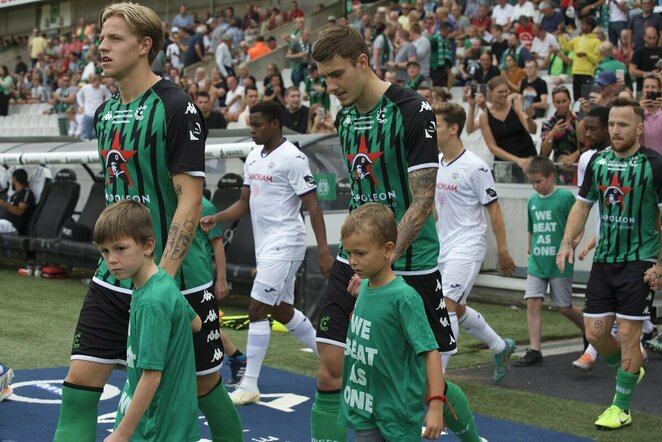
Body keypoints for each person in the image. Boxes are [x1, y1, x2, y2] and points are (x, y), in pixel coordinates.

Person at [53, 4, 243, 441]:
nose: (102, 47)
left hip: (178, 281)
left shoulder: (177, 108)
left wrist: (163, 281)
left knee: (205, 387)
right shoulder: (104, 115)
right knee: (79, 388)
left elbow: (190, 200)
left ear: (144, 47)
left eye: (114, 39)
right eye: (101, 38)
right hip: (113, 279)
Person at [311, 25, 482, 442]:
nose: (331, 86)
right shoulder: (345, 116)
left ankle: (472, 437)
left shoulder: (412, 110)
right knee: (331, 366)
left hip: (407, 264)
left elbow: (423, 200)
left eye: (337, 75)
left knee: (426, 381)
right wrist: (355, 258)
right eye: (324, 78)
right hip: (355, 258)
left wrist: (379, 262)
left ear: (363, 62)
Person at [200, 100, 334, 406]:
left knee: (256, 309)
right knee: (280, 311)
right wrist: (217, 218)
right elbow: (244, 203)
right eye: (250, 124)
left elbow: (313, 206)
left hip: (286, 243)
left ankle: (249, 384)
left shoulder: (294, 158)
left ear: (276, 123)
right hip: (266, 245)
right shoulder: (253, 157)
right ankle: (337, 360)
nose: (252, 130)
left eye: (257, 124)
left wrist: (323, 250)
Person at [557, 97, 662, 430]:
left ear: (639, 128)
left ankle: (621, 406)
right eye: (612, 124)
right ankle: (630, 368)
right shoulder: (597, 162)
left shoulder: (655, 165)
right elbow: (582, 206)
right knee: (597, 333)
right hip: (604, 260)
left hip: (640, 260)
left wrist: (660, 264)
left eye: (623, 125)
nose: (616, 131)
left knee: (630, 335)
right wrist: (567, 241)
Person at [337, 203, 449, 440]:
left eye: (360, 253)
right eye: (348, 254)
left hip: (396, 411)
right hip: (363, 403)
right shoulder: (365, 287)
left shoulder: (405, 297)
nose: (353, 261)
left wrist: (436, 405)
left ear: (388, 250)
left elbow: (430, 351)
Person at [93, 200, 202, 442]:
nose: (111, 259)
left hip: (157, 423)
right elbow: (196, 324)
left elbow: (152, 376)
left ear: (148, 246)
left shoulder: (152, 302)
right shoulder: (162, 282)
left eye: (120, 248)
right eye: (105, 251)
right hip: (170, 416)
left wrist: (122, 434)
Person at [433, 103, 517, 381]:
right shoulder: (436, 162)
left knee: (445, 307)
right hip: (442, 247)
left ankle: (436, 382)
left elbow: (494, 209)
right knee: (457, 308)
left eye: (437, 125)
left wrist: (503, 251)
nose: (431, 130)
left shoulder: (476, 166)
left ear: (453, 128)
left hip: (467, 247)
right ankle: (500, 347)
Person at [513, 156, 586, 367]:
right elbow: (531, 229)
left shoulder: (564, 197)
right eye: (532, 182)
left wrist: (575, 242)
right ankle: (535, 350)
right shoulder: (532, 201)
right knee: (533, 301)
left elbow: (578, 221)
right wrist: (530, 249)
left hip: (559, 261)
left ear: (551, 176)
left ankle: (588, 331)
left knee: (564, 307)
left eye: (539, 181)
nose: (535, 186)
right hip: (537, 261)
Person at [200, 194, 247, 387]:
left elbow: (217, 244)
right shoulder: (167, 200)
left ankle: (238, 358)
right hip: (177, 277)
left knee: (204, 325)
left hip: (199, 277)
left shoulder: (205, 207)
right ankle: (238, 358)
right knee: (199, 325)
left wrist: (221, 279)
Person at [479, 76, 537, 180]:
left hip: (527, 158)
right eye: (500, 92)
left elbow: (532, 130)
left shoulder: (516, 104)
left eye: (506, 91)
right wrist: (517, 160)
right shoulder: (484, 116)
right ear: (490, 93)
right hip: (504, 164)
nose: (504, 94)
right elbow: (492, 147)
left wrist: (529, 118)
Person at [540, 86, 581, 184]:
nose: (562, 105)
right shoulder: (549, 123)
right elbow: (544, 152)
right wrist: (552, 134)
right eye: (558, 102)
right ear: (553, 103)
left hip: (580, 165)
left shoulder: (579, 118)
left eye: (564, 101)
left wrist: (576, 154)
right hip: (560, 168)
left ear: (570, 100)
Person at [559, 16, 601, 102]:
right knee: (577, 98)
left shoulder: (596, 41)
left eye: (584, 25)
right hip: (576, 71)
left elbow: (596, 59)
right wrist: (561, 35)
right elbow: (565, 46)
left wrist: (586, 54)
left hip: (587, 73)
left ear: (589, 26)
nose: (581, 27)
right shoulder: (577, 39)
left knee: (586, 98)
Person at [0, 169, 36, 235]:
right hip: (4, 223)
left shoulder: (26, 193)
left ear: (14, 178)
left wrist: (3, 203)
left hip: (12, 226)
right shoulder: (14, 195)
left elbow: (20, 211)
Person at [76, 75, 111, 140]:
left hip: (99, 114)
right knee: (88, 135)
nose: (97, 84)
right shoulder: (85, 88)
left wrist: (105, 105)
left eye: (98, 82)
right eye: (95, 82)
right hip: (88, 114)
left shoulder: (102, 88)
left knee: (97, 133)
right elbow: (78, 95)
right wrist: (81, 105)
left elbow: (109, 95)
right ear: (92, 81)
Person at [639, 74, 662, 155]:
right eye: (646, 87)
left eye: (653, 87)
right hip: (643, 160)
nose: (649, 90)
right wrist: (639, 111)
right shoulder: (636, 111)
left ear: (659, 90)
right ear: (642, 89)